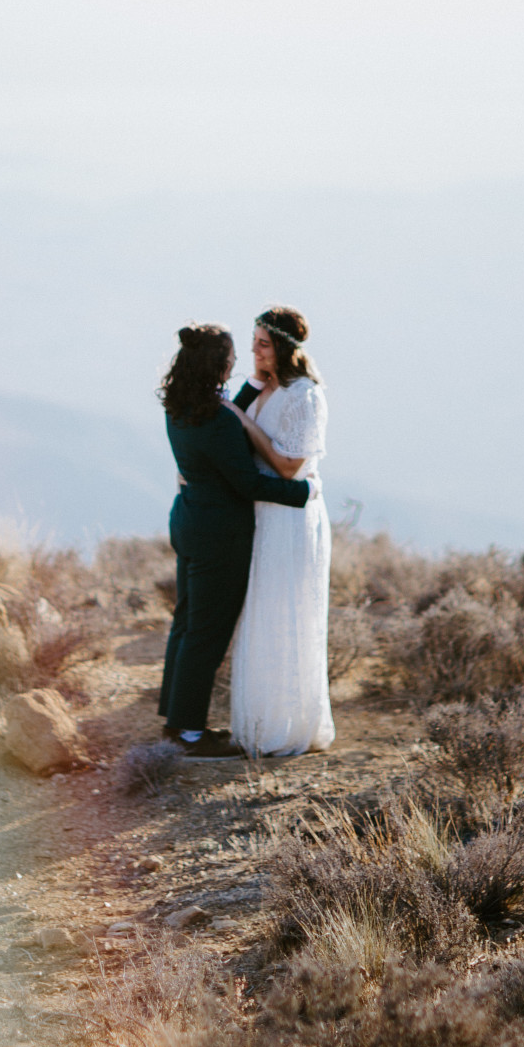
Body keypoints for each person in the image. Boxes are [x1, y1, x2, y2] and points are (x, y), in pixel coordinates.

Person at [156, 322, 310, 758]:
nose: (238, 361)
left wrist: (250, 388)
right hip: (219, 536)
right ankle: (188, 731)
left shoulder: (180, 405)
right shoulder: (216, 417)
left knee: (187, 624)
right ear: (219, 364)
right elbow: (246, 483)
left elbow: (223, 419)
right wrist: (305, 492)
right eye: (232, 358)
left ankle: (175, 720)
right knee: (207, 631)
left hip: (188, 522)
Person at [226, 305, 335, 755]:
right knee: (259, 613)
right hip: (260, 515)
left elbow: (290, 466)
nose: (253, 349)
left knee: (285, 612)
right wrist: (247, 398)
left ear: (284, 348)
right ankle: (257, 722)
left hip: (290, 518)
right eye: (253, 341)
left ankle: (287, 727)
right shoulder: (264, 388)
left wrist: (243, 423)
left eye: (263, 343)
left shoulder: (305, 395)